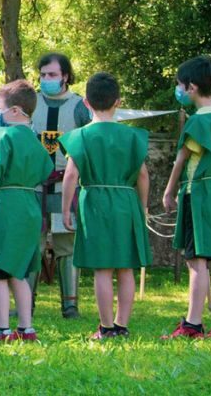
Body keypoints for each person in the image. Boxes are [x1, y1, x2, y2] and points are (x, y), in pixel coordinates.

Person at [58, 72, 151, 340]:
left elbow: (71, 176)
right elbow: (143, 175)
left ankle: (106, 327)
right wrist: (141, 207)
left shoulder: (79, 137)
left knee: (103, 267)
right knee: (125, 266)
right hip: (125, 202)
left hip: (94, 202)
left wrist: (66, 209)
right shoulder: (132, 137)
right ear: (118, 102)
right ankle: (122, 326)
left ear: (86, 103)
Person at [0, 80, 53, 342]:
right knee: (20, 269)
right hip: (29, 205)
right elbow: (46, 173)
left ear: (15, 110)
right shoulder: (39, 144)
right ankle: (27, 328)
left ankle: (2, 328)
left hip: (4, 206)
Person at [161, 56, 211, 339]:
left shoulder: (197, 123)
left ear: (192, 87)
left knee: (195, 259)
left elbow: (180, 161)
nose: (178, 89)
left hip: (196, 194)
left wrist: (168, 192)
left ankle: (192, 324)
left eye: (179, 85)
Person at [31, 52, 91, 318]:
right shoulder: (29, 102)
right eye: (43, 75)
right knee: (33, 244)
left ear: (65, 76)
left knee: (67, 244)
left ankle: (70, 304)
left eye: (52, 75)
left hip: (67, 184)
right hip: (34, 185)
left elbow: (89, 144)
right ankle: (26, 302)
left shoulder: (80, 107)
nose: (47, 79)